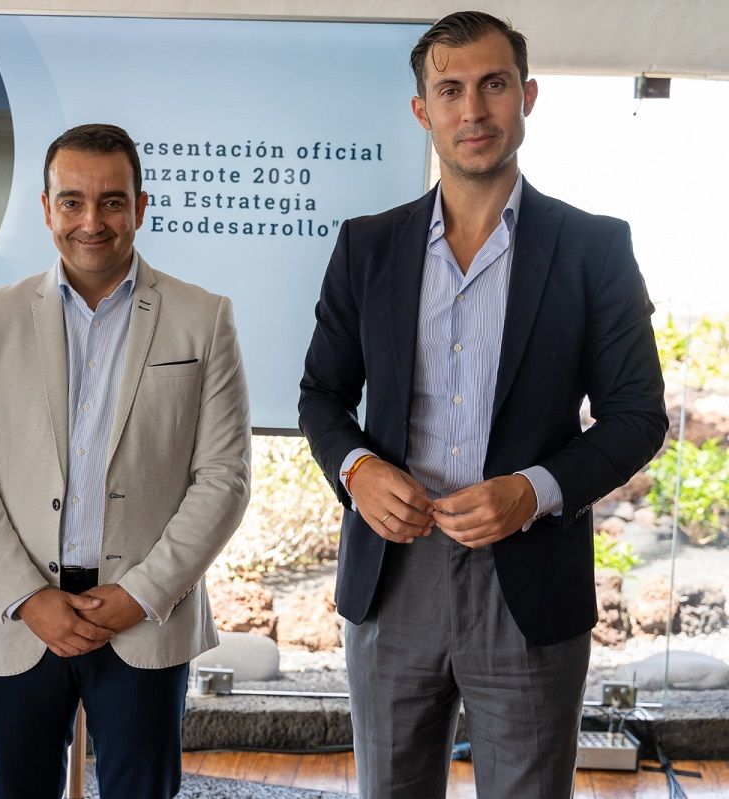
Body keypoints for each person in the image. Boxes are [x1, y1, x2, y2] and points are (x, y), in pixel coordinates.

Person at [298, 12, 667, 798]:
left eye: (494, 85)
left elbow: (638, 414)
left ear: (527, 96)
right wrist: (359, 471)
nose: (474, 110)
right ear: (422, 110)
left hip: (528, 578)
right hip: (391, 576)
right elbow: (322, 396)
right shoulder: (366, 247)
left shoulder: (595, 248)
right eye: (451, 90)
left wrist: (531, 490)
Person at [0, 123, 251, 799]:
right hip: (17, 620)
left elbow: (223, 479)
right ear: (47, 209)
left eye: (112, 201)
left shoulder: (203, 318)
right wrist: (29, 596)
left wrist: (141, 592)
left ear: (140, 207)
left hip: (143, 620)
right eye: (72, 201)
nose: (92, 220)